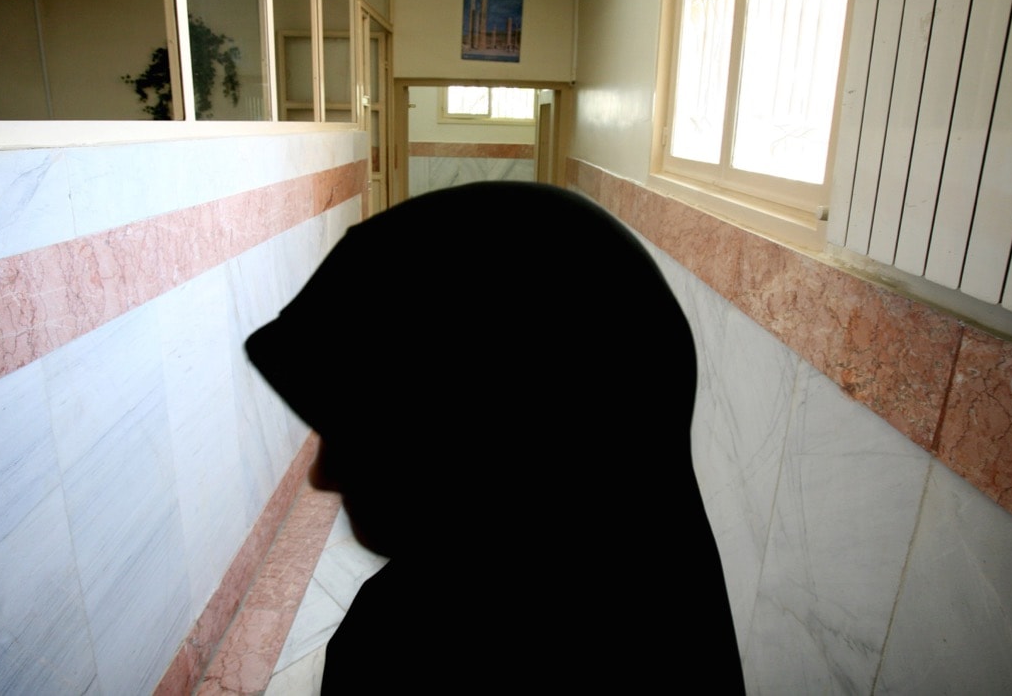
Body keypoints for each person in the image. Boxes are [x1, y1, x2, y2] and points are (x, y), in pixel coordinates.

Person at [246, 181, 744, 693]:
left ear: (500, 437)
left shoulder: (405, 650)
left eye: (370, 429)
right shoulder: (676, 622)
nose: (322, 475)